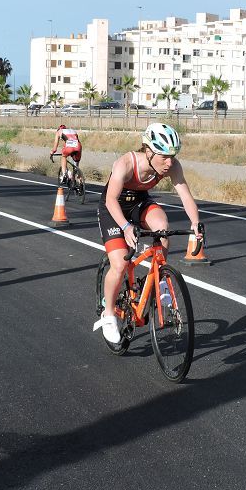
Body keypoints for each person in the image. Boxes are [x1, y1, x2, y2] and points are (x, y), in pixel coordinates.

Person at [94, 122, 200, 344]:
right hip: (113, 209)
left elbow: (185, 195)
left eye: (173, 155)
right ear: (148, 151)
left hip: (139, 204)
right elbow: (111, 199)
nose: (169, 162)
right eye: (164, 156)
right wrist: (125, 227)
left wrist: (196, 224)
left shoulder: (172, 166)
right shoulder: (125, 163)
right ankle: (109, 314)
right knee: (120, 264)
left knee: (162, 227)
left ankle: (160, 279)